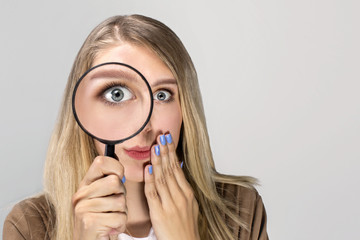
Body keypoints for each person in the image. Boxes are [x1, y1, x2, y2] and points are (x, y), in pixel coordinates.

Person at [3, 14, 268, 240]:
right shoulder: (29, 227)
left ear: (186, 110)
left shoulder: (241, 210)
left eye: (162, 95)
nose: (144, 127)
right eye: (116, 94)